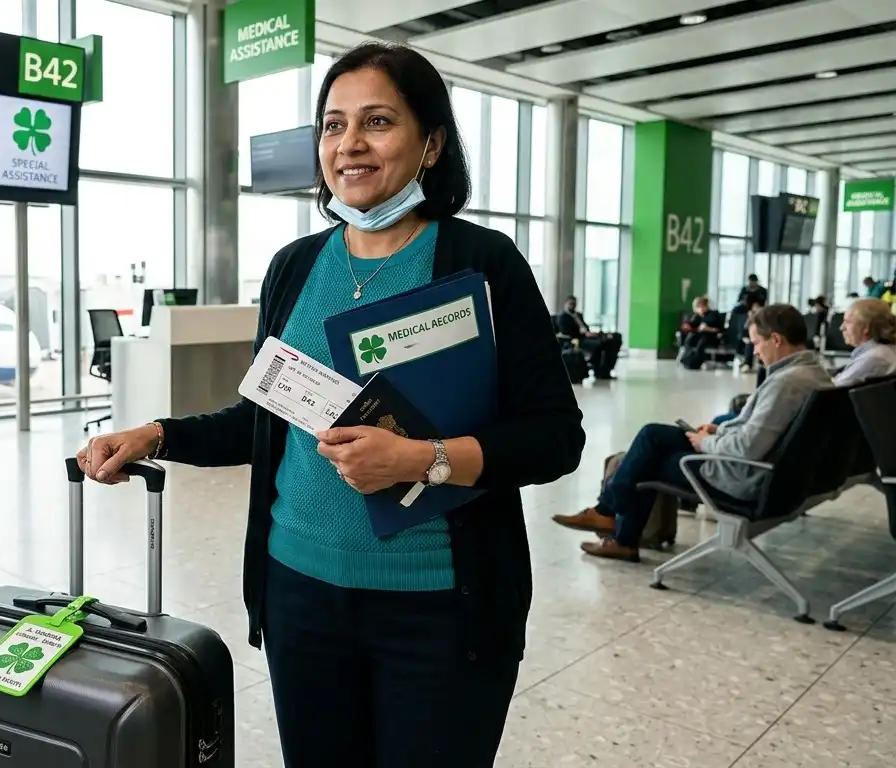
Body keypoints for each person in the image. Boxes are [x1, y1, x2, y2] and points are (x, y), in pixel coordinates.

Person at [75, 42, 585, 766]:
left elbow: (553, 437)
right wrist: (154, 434)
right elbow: (266, 421)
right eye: (333, 125)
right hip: (301, 597)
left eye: (378, 122)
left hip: (440, 608)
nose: (350, 144)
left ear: (431, 142)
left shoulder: (483, 263)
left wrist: (423, 460)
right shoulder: (295, 267)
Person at [552, 304, 831, 561]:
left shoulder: (786, 384)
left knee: (646, 461)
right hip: (770, 470)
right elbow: (767, 429)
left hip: (742, 475)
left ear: (777, 340)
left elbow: (747, 448)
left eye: (757, 343)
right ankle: (608, 516)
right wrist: (720, 429)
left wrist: (706, 442)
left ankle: (615, 527)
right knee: (652, 436)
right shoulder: (813, 373)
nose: (755, 351)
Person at [833, 298, 896, 386]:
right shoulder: (886, 351)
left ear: (865, 328)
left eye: (847, 322)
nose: (841, 327)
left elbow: (834, 388)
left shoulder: (875, 358)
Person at [556, 295, 622, 379]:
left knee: (612, 341)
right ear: (566, 304)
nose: (573, 306)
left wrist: (589, 333)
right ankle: (597, 368)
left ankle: (605, 370)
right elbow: (566, 331)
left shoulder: (578, 315)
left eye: (574, 304)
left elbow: (586, 327)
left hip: (586, 336)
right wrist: (583, 333)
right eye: (571, 303)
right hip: (577, 339)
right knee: (599, 344)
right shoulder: (563, 317)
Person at [678, 296, 725, 365]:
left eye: (700, 306)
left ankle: (696, 360)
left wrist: (708, 328)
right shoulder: (697, 316)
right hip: (699, 336)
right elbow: (692, 324)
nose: (699, 309)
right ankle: (687, 356)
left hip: (711, 337)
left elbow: (720, 330)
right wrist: (687, 326)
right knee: (689, 337)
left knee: (702, 339)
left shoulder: (713, 314)